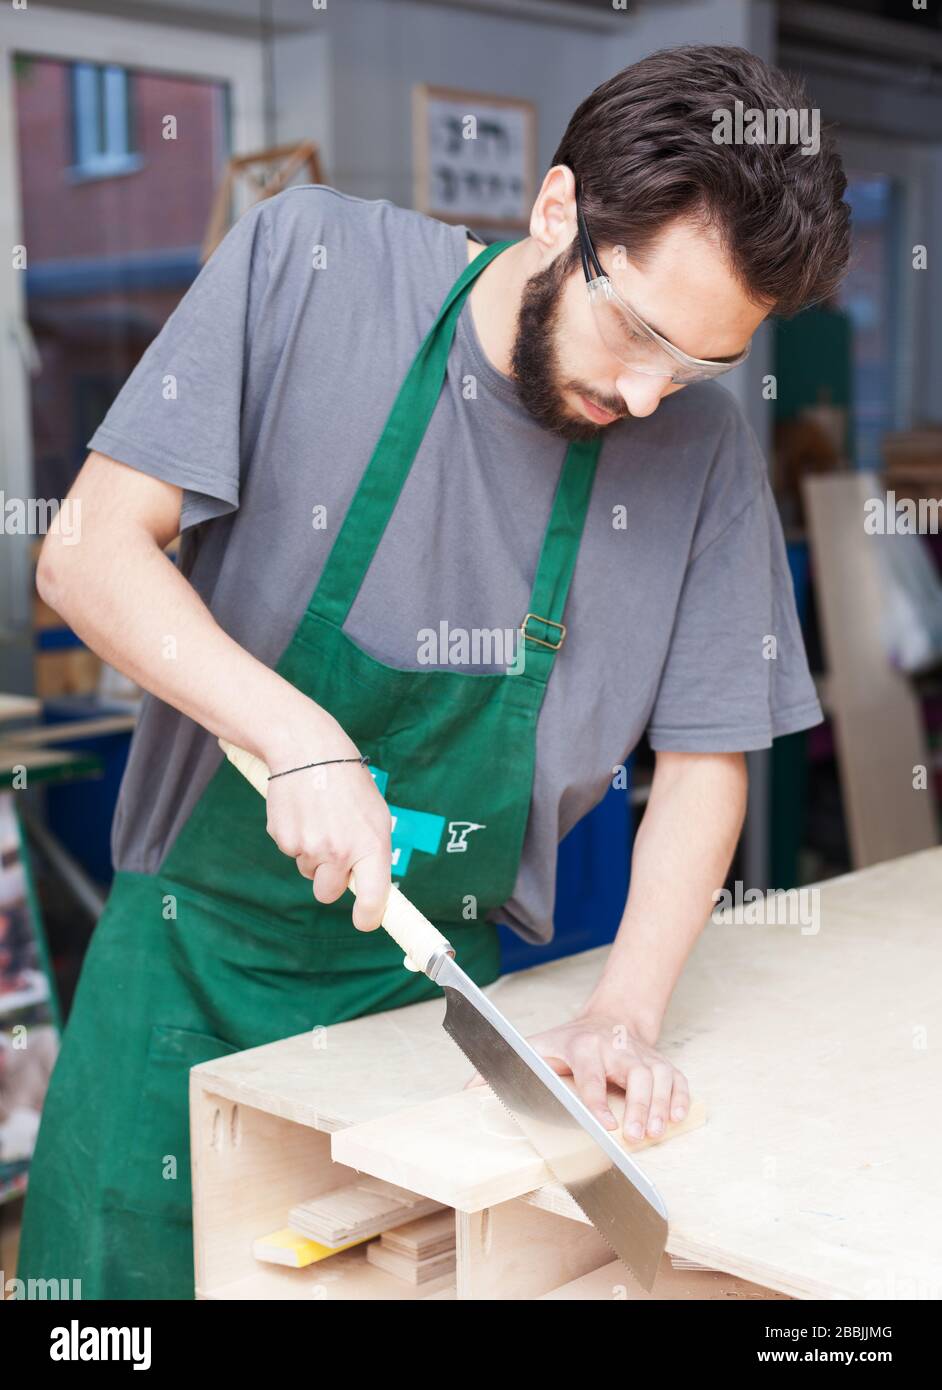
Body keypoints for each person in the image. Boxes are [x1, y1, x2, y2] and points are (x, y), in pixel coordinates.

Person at [18, 45, 848, 1298]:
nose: (641, 393)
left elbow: (705, 758)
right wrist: (294, 734)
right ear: (559, 210)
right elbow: (84, 555)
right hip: (182, 977)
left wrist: (625, 1008)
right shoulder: (313, 265)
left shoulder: (701, 449)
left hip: (434, 1016)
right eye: (634, 330)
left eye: (694, 366)